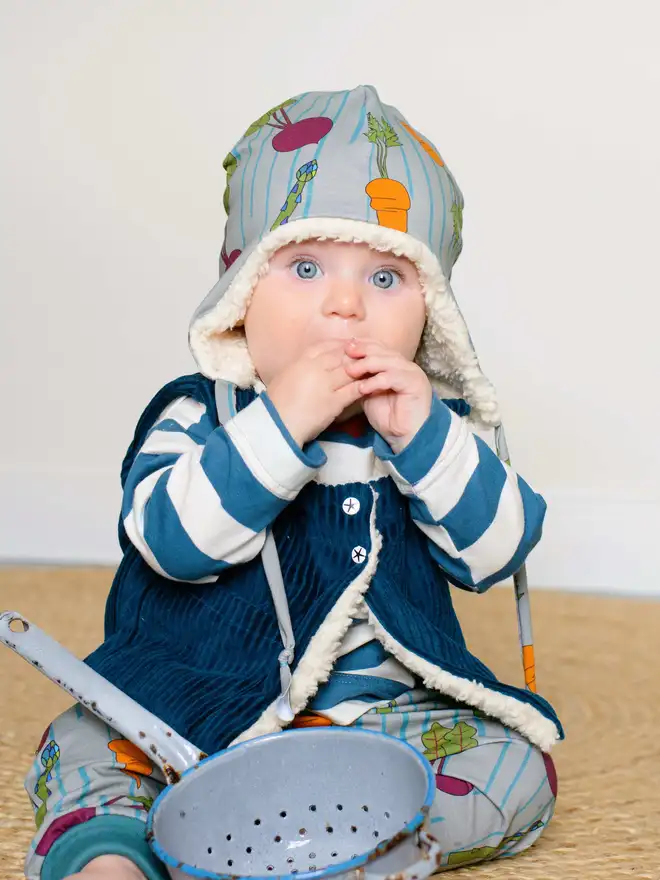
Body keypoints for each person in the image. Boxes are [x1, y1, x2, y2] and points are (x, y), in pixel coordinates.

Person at [24, 85, 562, 880]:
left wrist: (427, 437)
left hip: (376, 728)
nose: (346, 305)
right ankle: (123, 860)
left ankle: (331, 852)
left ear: (431, 313)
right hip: (195, 706)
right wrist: (282, 422)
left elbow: (498, 550)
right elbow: (173, 544)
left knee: (517, 771)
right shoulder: (197, 415)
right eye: (306, 267)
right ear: (241, 295)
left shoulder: (427, 425)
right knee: (81, 748)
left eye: (386, 280)